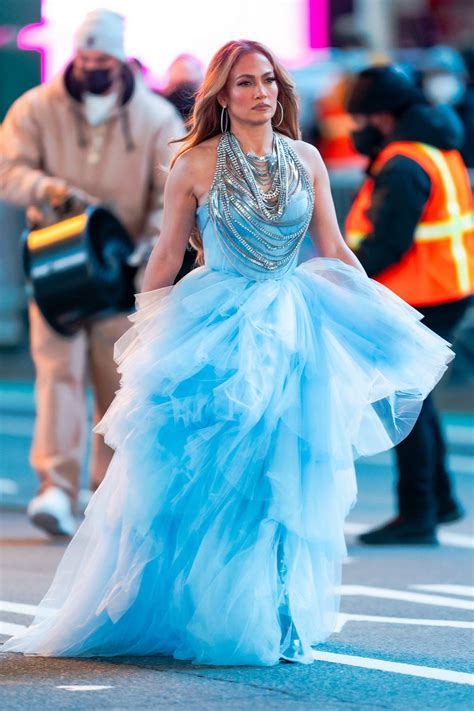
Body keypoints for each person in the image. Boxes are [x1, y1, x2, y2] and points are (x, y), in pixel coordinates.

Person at [2, 40, 452, 666]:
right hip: (216, 323)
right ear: (221, 94)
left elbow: (333, 248)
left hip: (295, 326)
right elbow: (167, 255)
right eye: (244, 83)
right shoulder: (194, 164)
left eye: (268, 80)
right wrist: (150, 334)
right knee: (216, 477)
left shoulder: (308, 158)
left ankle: (281, 615)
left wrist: (380, 316)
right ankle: (198, 609)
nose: (260, 92)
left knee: (285, 477)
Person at [0, 9, 184, 537]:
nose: (93, 67)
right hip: (55, 263)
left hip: (119, 271)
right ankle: (54, 486)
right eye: (85, 58)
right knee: (57, 375)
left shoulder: (154, 118)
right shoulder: (36, 108)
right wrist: (47, 190)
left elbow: (170, 191)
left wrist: (150, 243)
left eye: (103, 58)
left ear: (120, 58)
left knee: (117, 380)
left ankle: (107, 492)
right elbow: (9, 168)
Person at [345, 65, 473, 545]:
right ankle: (437, 501)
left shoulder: (402, 164)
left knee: (404, 402)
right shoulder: (438, 145)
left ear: (381, 116)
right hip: (446, 289)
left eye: (359, 119)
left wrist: (340, 276)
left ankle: (418, 513)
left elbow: (387, 244)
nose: (355, 130)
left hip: (419, 296)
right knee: (417, 399)